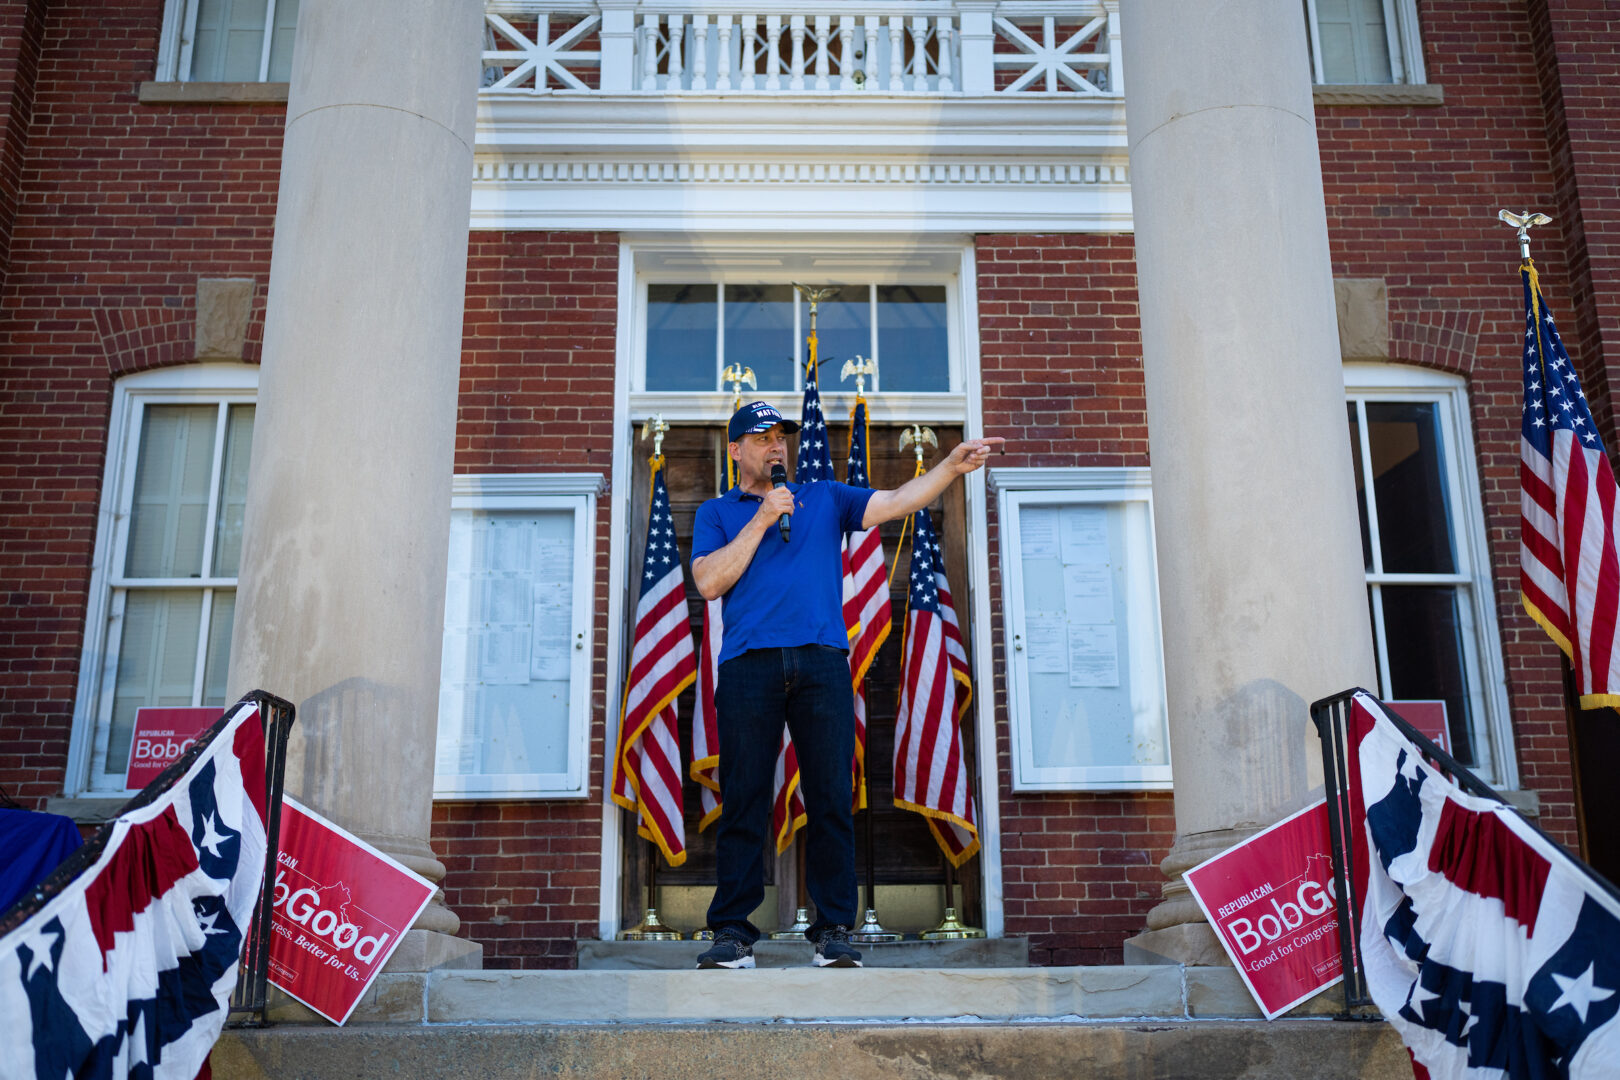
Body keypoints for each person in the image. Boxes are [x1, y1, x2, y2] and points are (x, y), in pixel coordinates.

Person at [690, 400, 1003, 969]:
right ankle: (733, 933)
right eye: (762, 438)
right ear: (736, 450)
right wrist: (761, 518)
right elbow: (710, 582)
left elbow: (894, 502)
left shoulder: (824, 496)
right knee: (743, 799)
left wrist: (949, 469)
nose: (776, 447)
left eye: (781, 437)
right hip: (748, 667)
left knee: (832, 796)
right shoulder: (716, 512)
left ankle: (834, 929)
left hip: (821, 663)